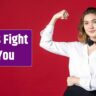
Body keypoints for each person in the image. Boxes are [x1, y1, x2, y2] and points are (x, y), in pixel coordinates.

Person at [39, 7, 96, 96]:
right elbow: (45, 43)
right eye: (86, 23)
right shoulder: (75, 47)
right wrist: (54, 18)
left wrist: (77, 80)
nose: (91, 26)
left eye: (94, 22)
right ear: (83, 27)